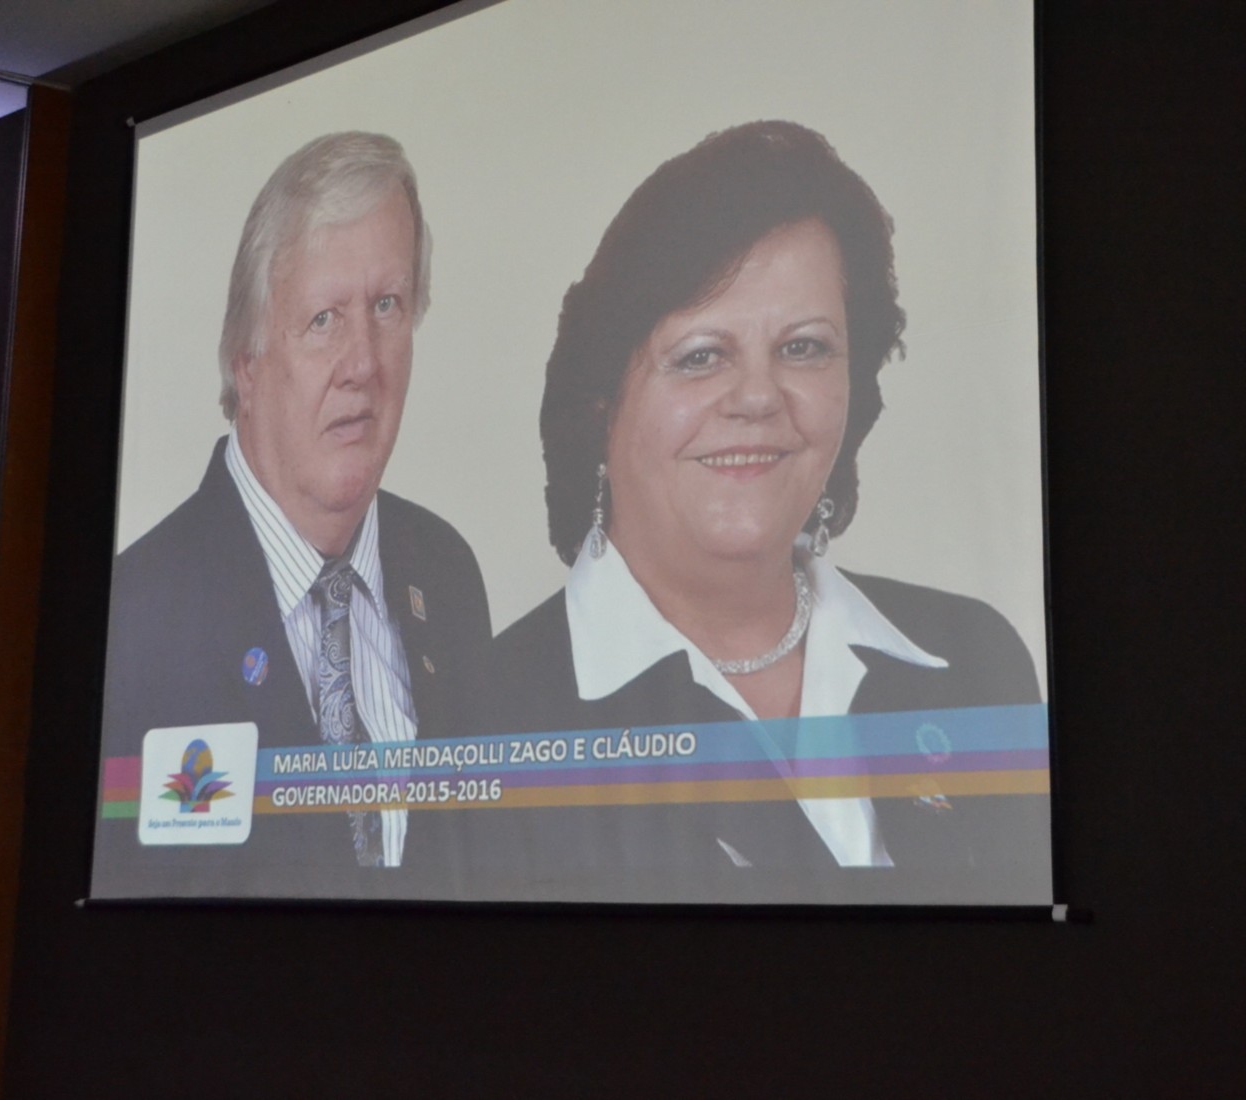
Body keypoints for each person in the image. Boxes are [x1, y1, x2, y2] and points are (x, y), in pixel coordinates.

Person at [460, 121, 1049, 904]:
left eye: (804, 348)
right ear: (602, 401)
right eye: (701, 356)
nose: (759, 397)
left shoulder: (974, 661)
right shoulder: (483, 721)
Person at [93, 132, 491, 899]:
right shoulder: (131, 618)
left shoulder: (447, 573)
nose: (364, 364)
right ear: (246, 362)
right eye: (324, 320)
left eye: (387, 306)